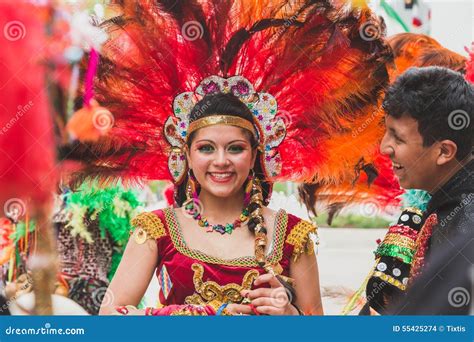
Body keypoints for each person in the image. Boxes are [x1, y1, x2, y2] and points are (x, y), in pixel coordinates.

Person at [63, 0, 391, 315]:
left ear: (255, 156)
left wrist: (289, 315)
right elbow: (111, 317)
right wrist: (207, 314)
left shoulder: (294, 236)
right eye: (206, 148)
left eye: (235, 148)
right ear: (187, 156)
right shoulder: (156, 230)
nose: (221, 161)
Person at [380, 66, 473, 293]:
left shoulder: (465, 227)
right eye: (386, 131)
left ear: (443, 152)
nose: (384, 147)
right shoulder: (445, 204)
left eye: (398, 138)